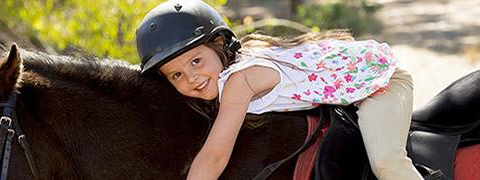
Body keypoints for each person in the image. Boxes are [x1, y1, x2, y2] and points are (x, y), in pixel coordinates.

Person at [135, 0, 424, 179]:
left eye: (196, 61)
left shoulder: (239, 82)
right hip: (349, 90)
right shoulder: (229, 73)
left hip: (379, 82)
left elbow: (215, 156)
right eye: (176, 75)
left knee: (386, 163)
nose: (192, 78)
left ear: (220, 45)